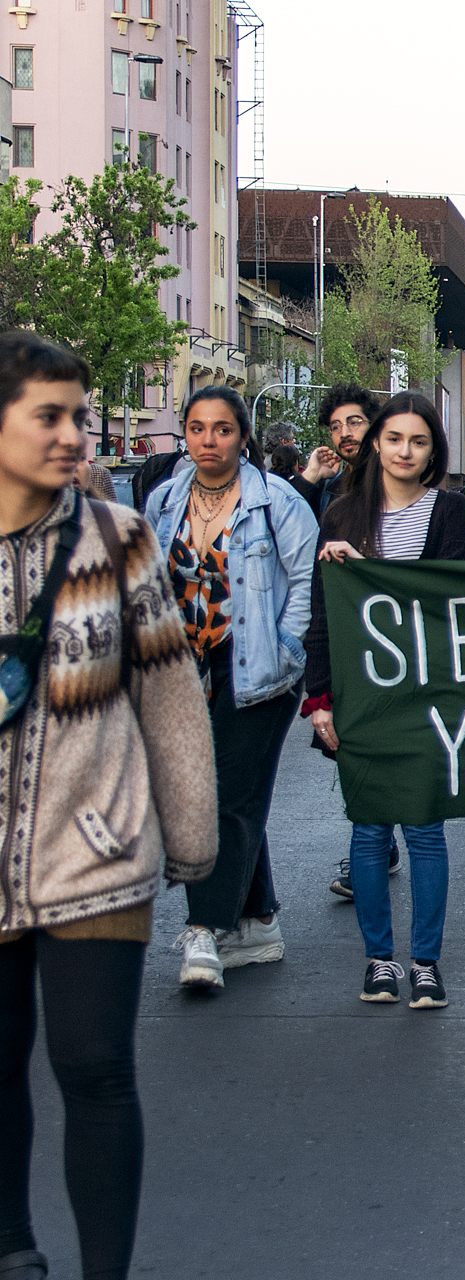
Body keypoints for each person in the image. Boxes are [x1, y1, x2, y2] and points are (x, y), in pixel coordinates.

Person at [0, 331, 217, 1280]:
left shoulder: (119, 541)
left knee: (93, 1069)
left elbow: (169, 693)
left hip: (97, 849)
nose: (72, 438)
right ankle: (13, 1245)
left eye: (78, 418)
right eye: (48, 416)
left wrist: (191, 833)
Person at [304, 392, 465, 1009]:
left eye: (419, 441)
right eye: (395, 438)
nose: (406, 450)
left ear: (434, 451)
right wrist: (318, 698)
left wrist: (368, 569)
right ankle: (378, 960)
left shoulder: (451, 512)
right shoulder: (341, 514)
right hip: (359, 697)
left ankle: (425, 963)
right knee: (370, 829)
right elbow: (322, 614)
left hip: (426, 694)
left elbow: (451, 598)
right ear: (376, 443)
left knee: (426, 830)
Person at [143, 386, 318, 989]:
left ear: (243, 436)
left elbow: (306, 582)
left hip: (258, 669)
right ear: (185, 435)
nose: (208, 441)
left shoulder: (279, 502)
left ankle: (203, 931)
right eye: (196, 428)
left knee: (220, 797)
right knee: (231, 793)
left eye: (222, 429)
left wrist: (290, 651)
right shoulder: (165, 499)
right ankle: (259, 919)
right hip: (186, 669)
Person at [289, 383, 380, 519]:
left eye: (354, 422)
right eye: (336, 426)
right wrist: (311, 475)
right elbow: (285, 515)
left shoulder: (393, 483)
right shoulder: (329, 489)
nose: (344, 433)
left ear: (374, 426)